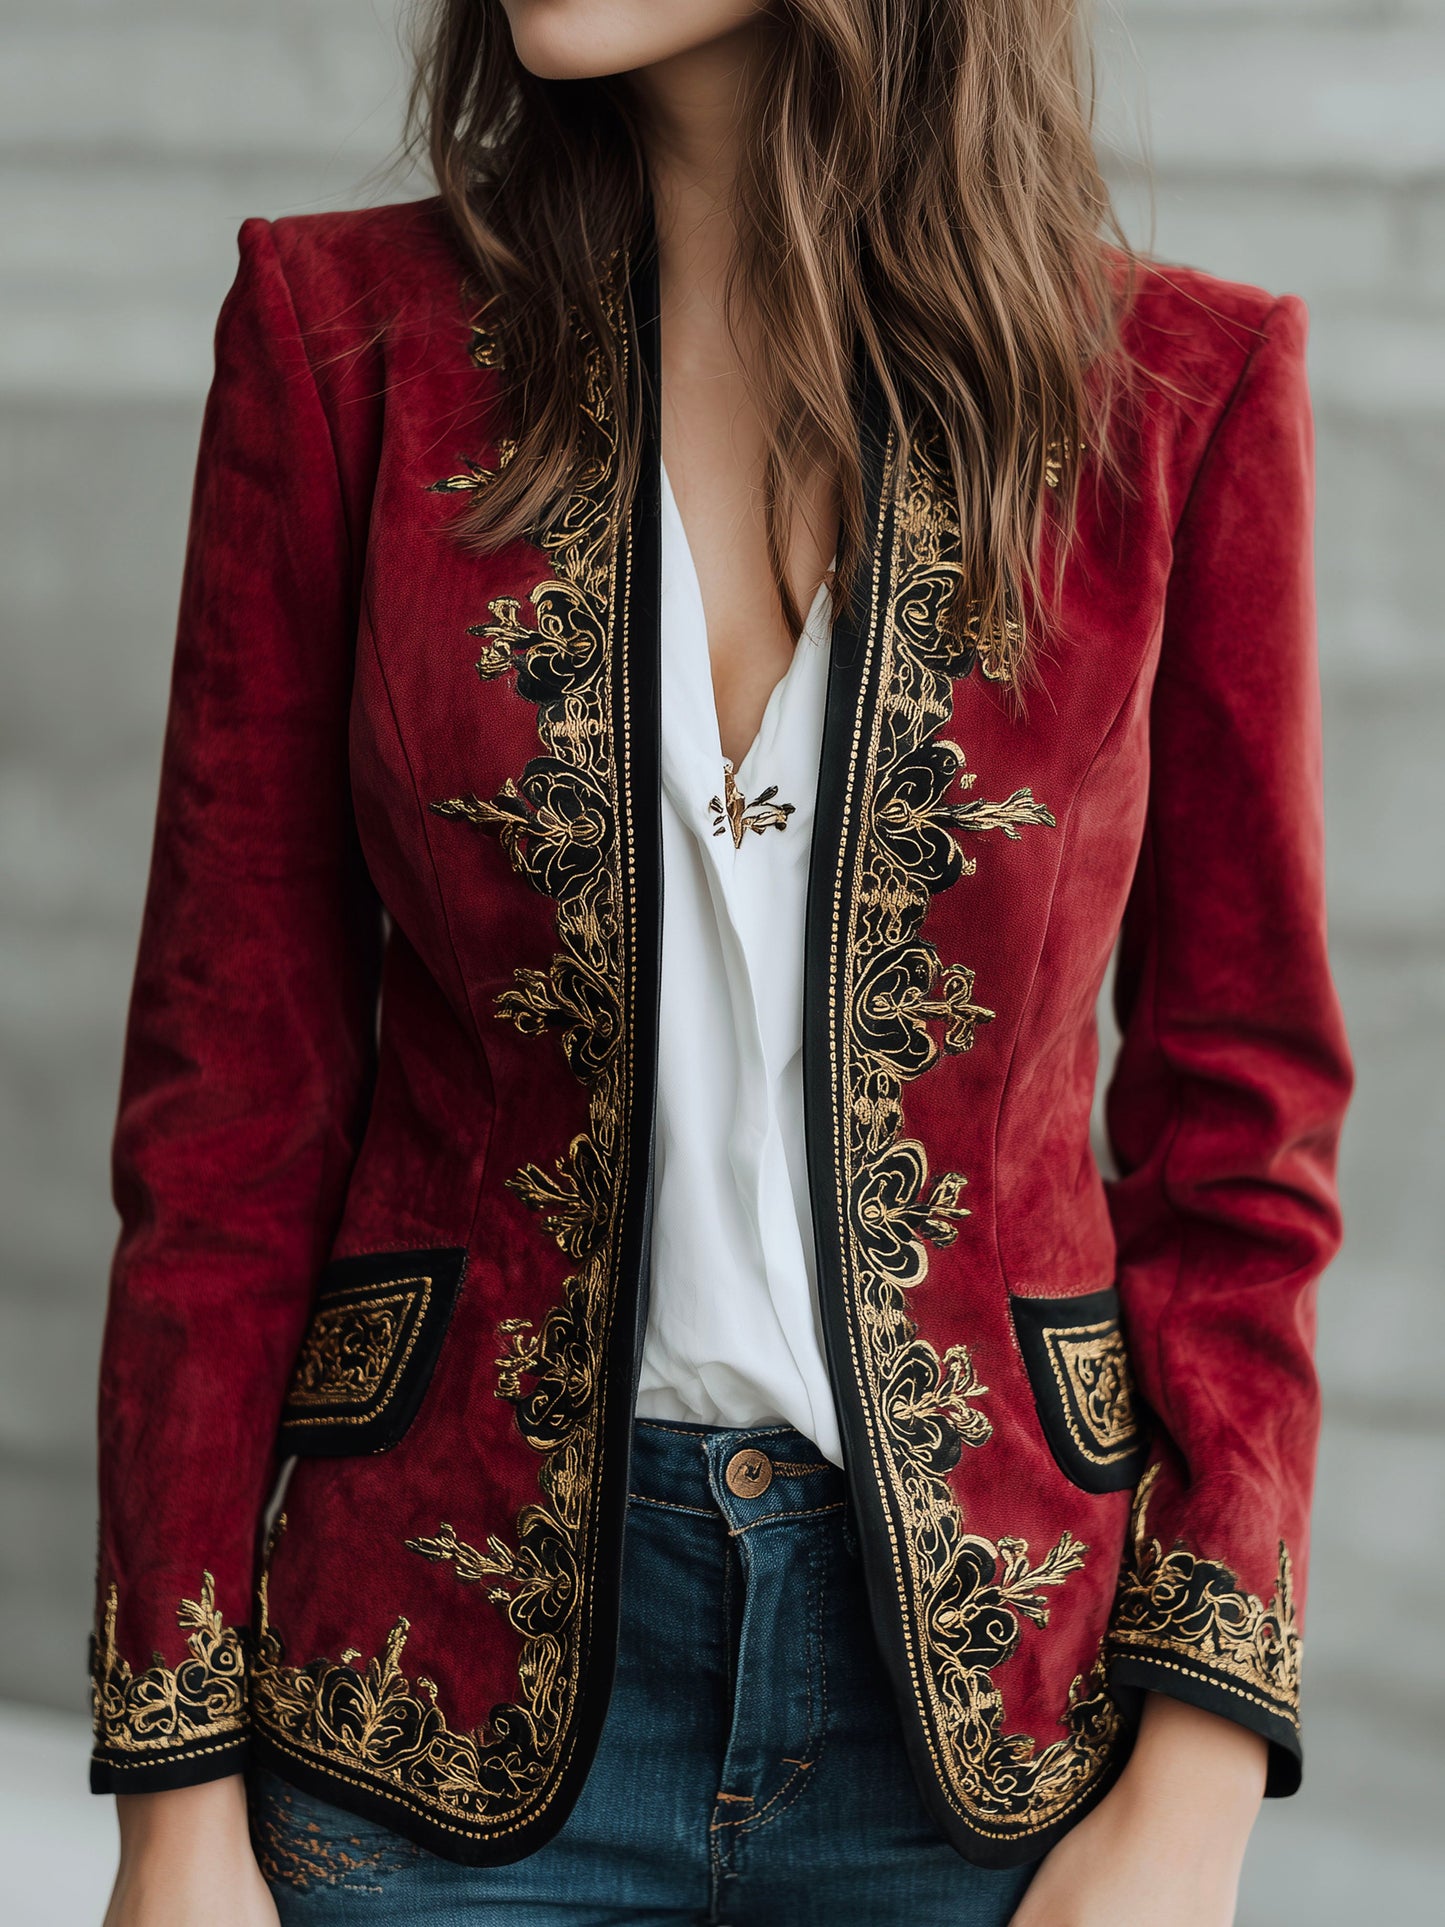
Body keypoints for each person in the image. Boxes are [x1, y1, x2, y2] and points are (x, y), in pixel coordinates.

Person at [92, 3, 1353, 1923]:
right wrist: (175, 1801)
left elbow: (1243, 1130)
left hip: (997, 1715)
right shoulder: (344, 344)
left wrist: (1196, 1791)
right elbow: (225, 1112)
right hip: (424, 1682)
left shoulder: (1172, 396)